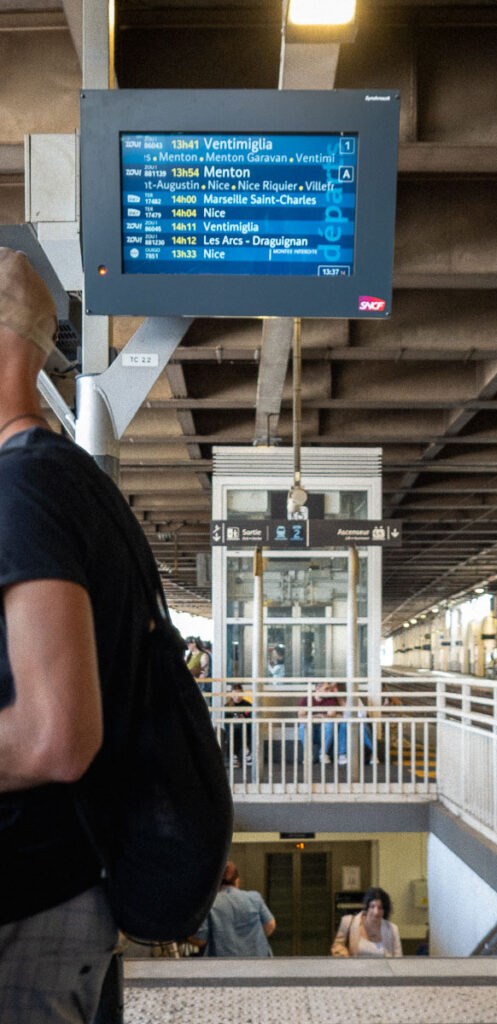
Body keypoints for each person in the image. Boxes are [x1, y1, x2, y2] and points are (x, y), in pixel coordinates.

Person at [0, 248, 159, 1020]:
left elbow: (53, 737)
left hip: (29, 899)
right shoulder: (71, 480)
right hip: (66, 884)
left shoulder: (20, 488)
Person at [191, 861, 275, 957]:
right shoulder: (254, 898)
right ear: (237, 881)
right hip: (256, 964)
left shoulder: (208, 903)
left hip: (222, 967)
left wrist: (186, 936)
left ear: (215, 882)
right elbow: (270, 925)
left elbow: (200, 940)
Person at [331, 886, 402, 958]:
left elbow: (398, 960)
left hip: (383, 969)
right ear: (367, 907)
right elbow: (337, 947)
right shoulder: (348, 922)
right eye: (372, 906)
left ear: (385, 910)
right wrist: (348, 960)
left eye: (380, 908)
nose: (376, 912)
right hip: (355, 968)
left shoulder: (392, 929)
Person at [297, 681, 342, 764]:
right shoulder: (307, 699)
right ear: (318, 689)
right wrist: (321, 715)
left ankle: (323, 754)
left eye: (330, 690)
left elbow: (331, 716)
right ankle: (308, 755)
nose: (329, 692)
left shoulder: (330, 699)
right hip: (311, 731)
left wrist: (312, 716)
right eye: (326, 689)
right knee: (303, 725)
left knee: (329, 724)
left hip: (325, 732)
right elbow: (301, 716)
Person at [225, 683, 252, 766]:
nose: (237, 696)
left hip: (245, 730)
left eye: (239, 694)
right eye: (235, 694)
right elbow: (226, 722)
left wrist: (243, 720)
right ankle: (245, 752)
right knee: (234, 727)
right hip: (232, 731)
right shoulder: (227, 706)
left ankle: (235, 755)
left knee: (241, 725)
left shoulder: (248, 705)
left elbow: (251, 720)